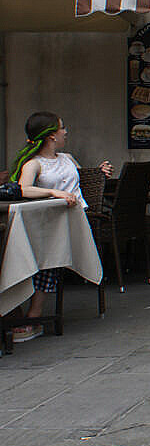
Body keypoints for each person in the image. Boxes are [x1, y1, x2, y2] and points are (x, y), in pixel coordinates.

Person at [9, 112, 113, 343]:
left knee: (52, 252)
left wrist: (99, 171)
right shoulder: (33, 164)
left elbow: (78, 180)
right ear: (51, 136)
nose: (66, 132)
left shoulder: (67, 158)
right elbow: (23, 189)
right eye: (62, 128)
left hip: (75, 222)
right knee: (43, 253)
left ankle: (32, 316)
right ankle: (23, 314)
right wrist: (53, 192)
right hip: (48, 225)